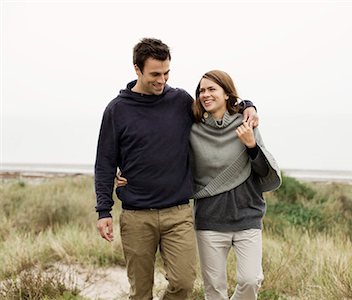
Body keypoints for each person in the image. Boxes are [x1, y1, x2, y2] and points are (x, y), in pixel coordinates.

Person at [94, 38, 258, 300]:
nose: (162, 80)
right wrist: (103, 210)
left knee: (183, 284)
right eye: (155, 74)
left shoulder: (180, 101)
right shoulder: (117, 110)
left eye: (166, 73)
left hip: (178, 213)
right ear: (137, 69)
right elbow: (104, 163)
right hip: (136, 216)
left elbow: (216, 106)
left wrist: (249, 104)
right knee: (140, 292)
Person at [117, 70, 281, 299]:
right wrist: (129, 171)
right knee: (214, 289)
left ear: (227, 94)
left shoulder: (246, 123)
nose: (205, 94)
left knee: (251, 280)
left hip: (247, 217)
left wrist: (252, 144)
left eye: (212, 89)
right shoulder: (192, 128)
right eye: (201, 90)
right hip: (209, 220)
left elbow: (264, 172)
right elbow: (161, 148)